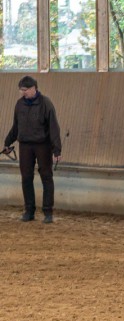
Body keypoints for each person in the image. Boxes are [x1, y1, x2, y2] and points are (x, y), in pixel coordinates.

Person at [2, 76, 62, 223]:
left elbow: (54, 128)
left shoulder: (46, 103)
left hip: (43, 145)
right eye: (21, 90)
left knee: (46, 176)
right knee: (26, 177)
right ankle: (29, 211)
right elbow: (16, 126)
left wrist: (57, 150)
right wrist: (7, 143)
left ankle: (48, 212)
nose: (23, 92)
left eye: (25, 90)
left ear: (34, 88)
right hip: (25, 146)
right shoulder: (19, 104)